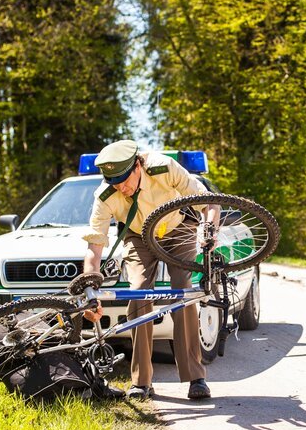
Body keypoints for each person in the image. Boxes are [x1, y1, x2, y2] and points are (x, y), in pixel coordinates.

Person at [82, 139, 214, 401]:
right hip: (138, 235)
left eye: (124, 179)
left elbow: (209, 202)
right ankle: (141, 382)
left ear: (138, 165)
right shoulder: (105, 196)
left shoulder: (163, 167)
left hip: (179, 228)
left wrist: (208, 229)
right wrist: (90, 289)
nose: (121, 187)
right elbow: (94, 249)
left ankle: (195, 377)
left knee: (183, 291)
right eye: (114, 182)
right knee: (138, 292)